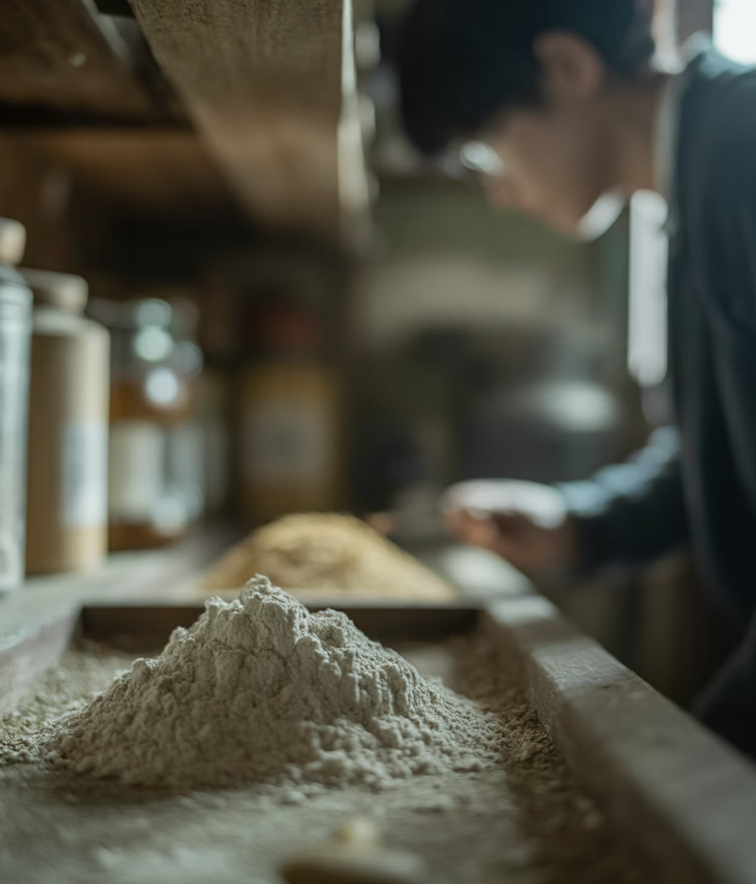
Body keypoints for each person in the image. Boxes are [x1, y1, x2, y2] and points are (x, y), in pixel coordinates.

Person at [396, 0, 756, 759]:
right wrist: (582, 524)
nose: (496, 189)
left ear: (566, 68)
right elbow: (717, 444)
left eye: (488, 145)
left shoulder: (743, 151)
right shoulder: (697, 184)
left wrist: (712, 761)